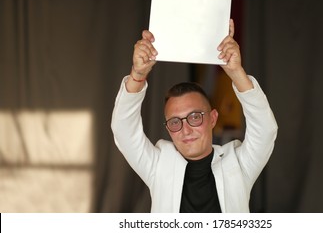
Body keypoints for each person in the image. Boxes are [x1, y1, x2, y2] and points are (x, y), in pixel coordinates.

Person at [111, 19, 278, 213]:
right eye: (175, 122)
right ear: (168, 129)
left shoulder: (238, 163)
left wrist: (236, 72)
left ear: (213, 119)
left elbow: (265, 130)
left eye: (195, 117)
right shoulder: (158, 165)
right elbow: (123, 130)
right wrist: (138, 75)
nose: (186, 129)